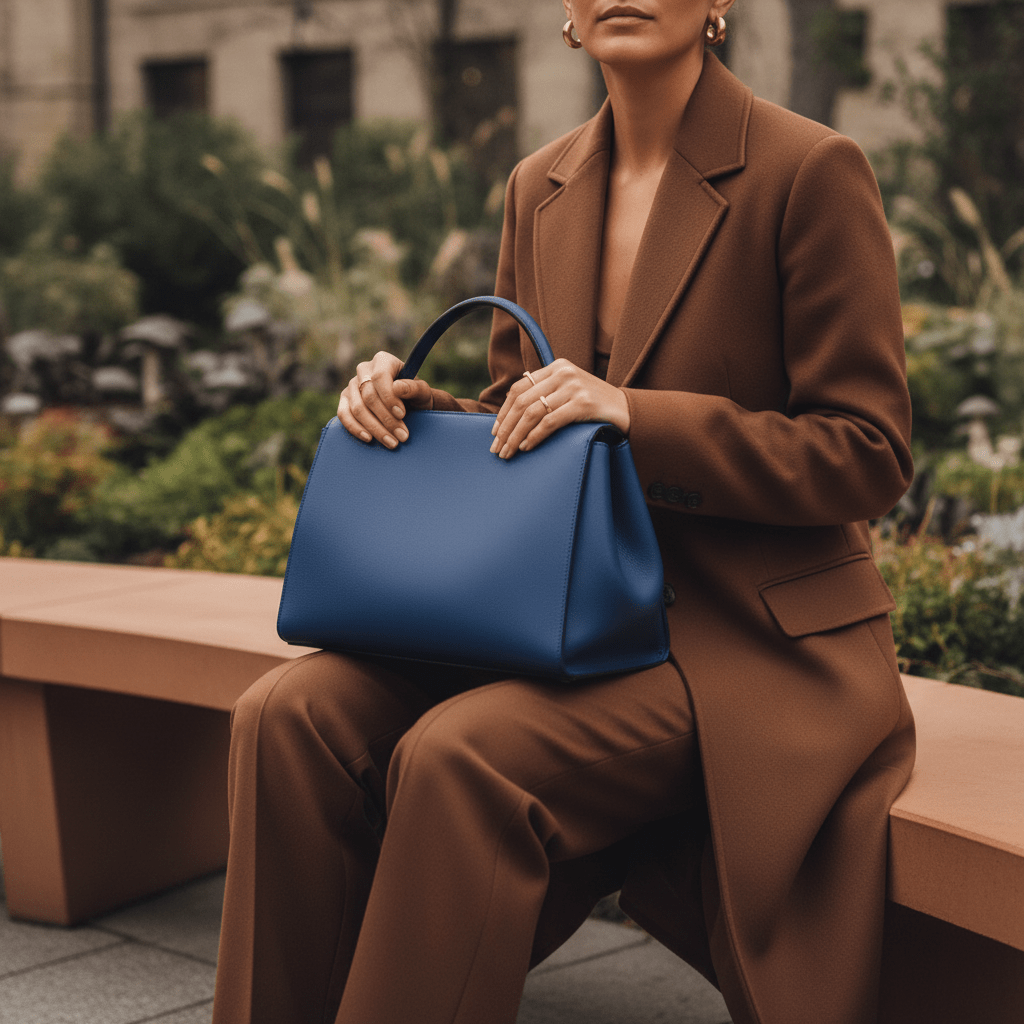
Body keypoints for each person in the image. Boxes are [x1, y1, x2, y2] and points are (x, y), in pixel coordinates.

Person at [211, 2, 915, 1022]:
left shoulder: (809, 170)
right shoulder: (537, 184)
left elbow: (869, 451)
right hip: (560, 617)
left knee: (463, 758)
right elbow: (523, 422)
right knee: (284, 716)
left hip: (741, 639)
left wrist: (637, 415)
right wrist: (416, 408)